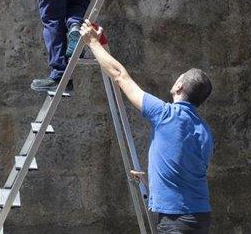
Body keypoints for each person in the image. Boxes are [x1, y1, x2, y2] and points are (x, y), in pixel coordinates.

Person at [79, 20, 214, 233]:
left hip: (175, 220)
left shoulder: (165, 114)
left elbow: (120, 76)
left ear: (179, 86)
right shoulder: (205, 131)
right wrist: (153, 180)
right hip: (200, 216)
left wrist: (93, 43)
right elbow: (187, 171)